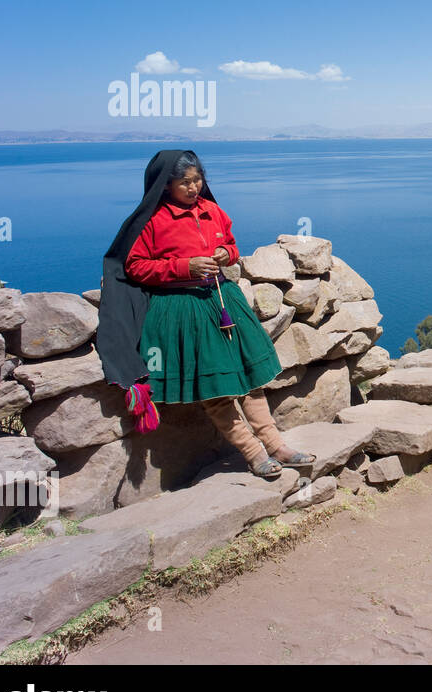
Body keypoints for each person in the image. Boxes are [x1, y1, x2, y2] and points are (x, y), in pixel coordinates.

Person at [96, 149, 314, 479]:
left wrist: (227, 253)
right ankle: (254, 453)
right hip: (184, 308)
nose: (194, 187)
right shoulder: (153, 221)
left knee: (250, 380)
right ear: (165, 185)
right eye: (185, 182)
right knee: (217, 388)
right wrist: (186, 266)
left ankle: (276, 444)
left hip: (222, 301)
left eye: (198, 180)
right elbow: (136, 267)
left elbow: (232, 245)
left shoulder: (212, 211)